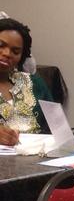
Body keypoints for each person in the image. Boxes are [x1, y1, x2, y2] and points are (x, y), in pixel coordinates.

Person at [0, 17, 52, 146]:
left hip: (38, 155)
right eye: (1, 45)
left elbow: (57, 128)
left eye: (15, 51)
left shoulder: (34, 83)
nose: (7, 53)